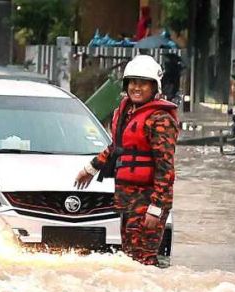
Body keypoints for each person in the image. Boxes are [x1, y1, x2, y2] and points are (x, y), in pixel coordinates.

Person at [74, 55, 179, 267]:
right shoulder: (126, 112)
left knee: (143, 260)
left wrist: (156, 208)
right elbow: (117, 148)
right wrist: (91, 168)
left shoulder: (160, 120)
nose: (136, 88)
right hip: (127, 198)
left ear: (154, 86)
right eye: (132, 82)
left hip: (147, 199)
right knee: (129, 258)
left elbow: (165, 169)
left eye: (142, 83)